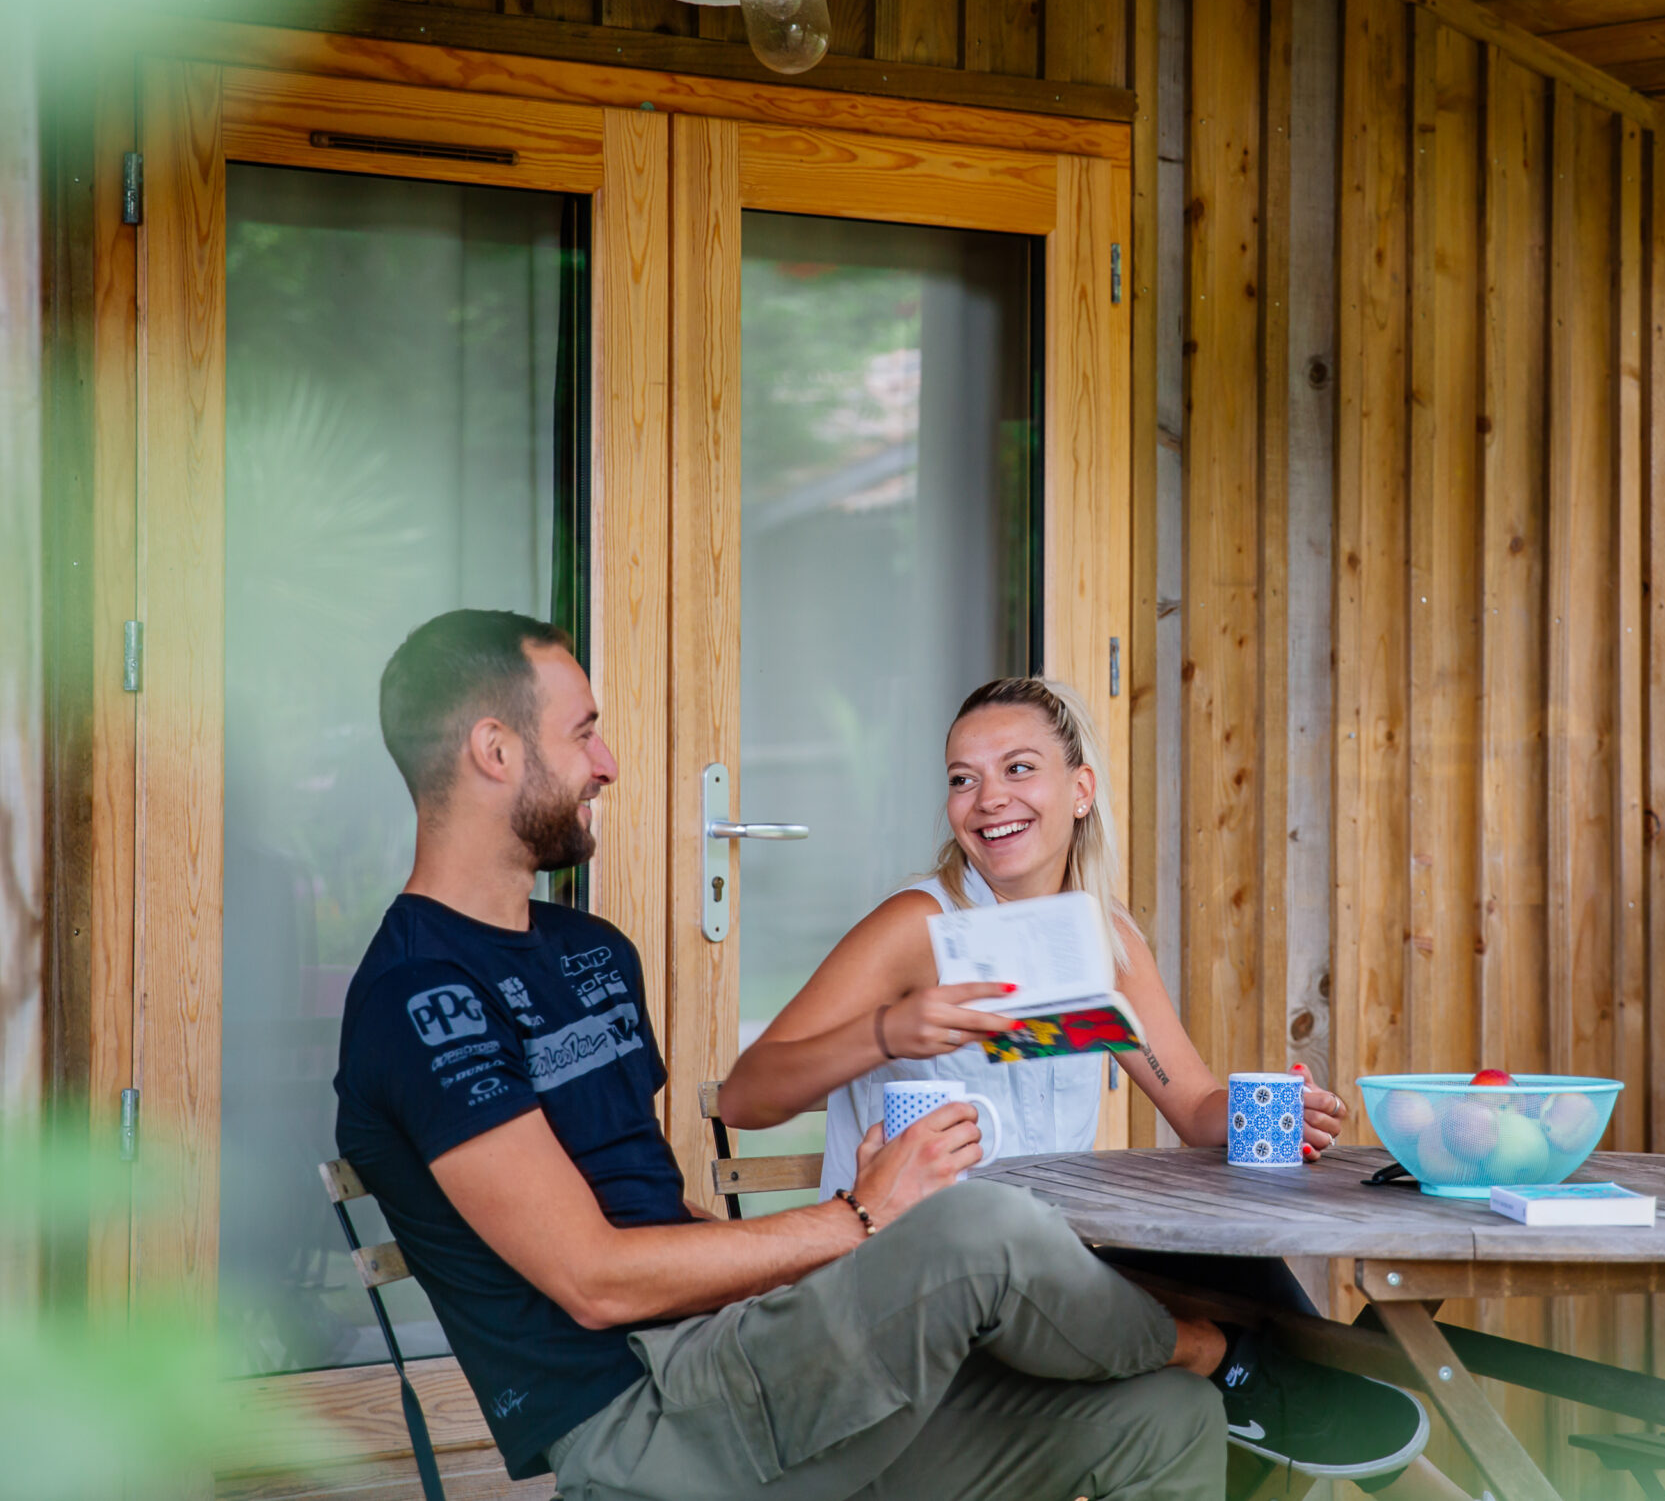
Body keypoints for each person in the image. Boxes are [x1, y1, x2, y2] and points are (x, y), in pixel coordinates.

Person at [333, 612, 1229, 1501]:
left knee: (1166, 1420)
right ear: (495, 749)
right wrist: (860, 1217)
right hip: (642, 1417)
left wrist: (839, 1275)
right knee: (977, 1225)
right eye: (584, 732)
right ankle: (1233, 1351)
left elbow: (654, 1207)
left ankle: (1221, 1365)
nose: (605, 762)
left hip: (745, 1360)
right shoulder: (419, 998)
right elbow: (596, 1280)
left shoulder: (591, 954)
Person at [716, 676, 1430, 1488]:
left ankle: (1288, 1396)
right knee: (1234, 1328)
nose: (988, 799)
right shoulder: (919, 926)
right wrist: (891, 1029)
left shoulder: (1102, 936)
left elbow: (1191, 1104)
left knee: (1238, 1268)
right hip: (924, 1284)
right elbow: (749, 1094)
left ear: (1080, 788)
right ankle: (1268, 1386)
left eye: (1018, 768)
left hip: (1053, 1269)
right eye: (963, 778)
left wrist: (1258, 1109)